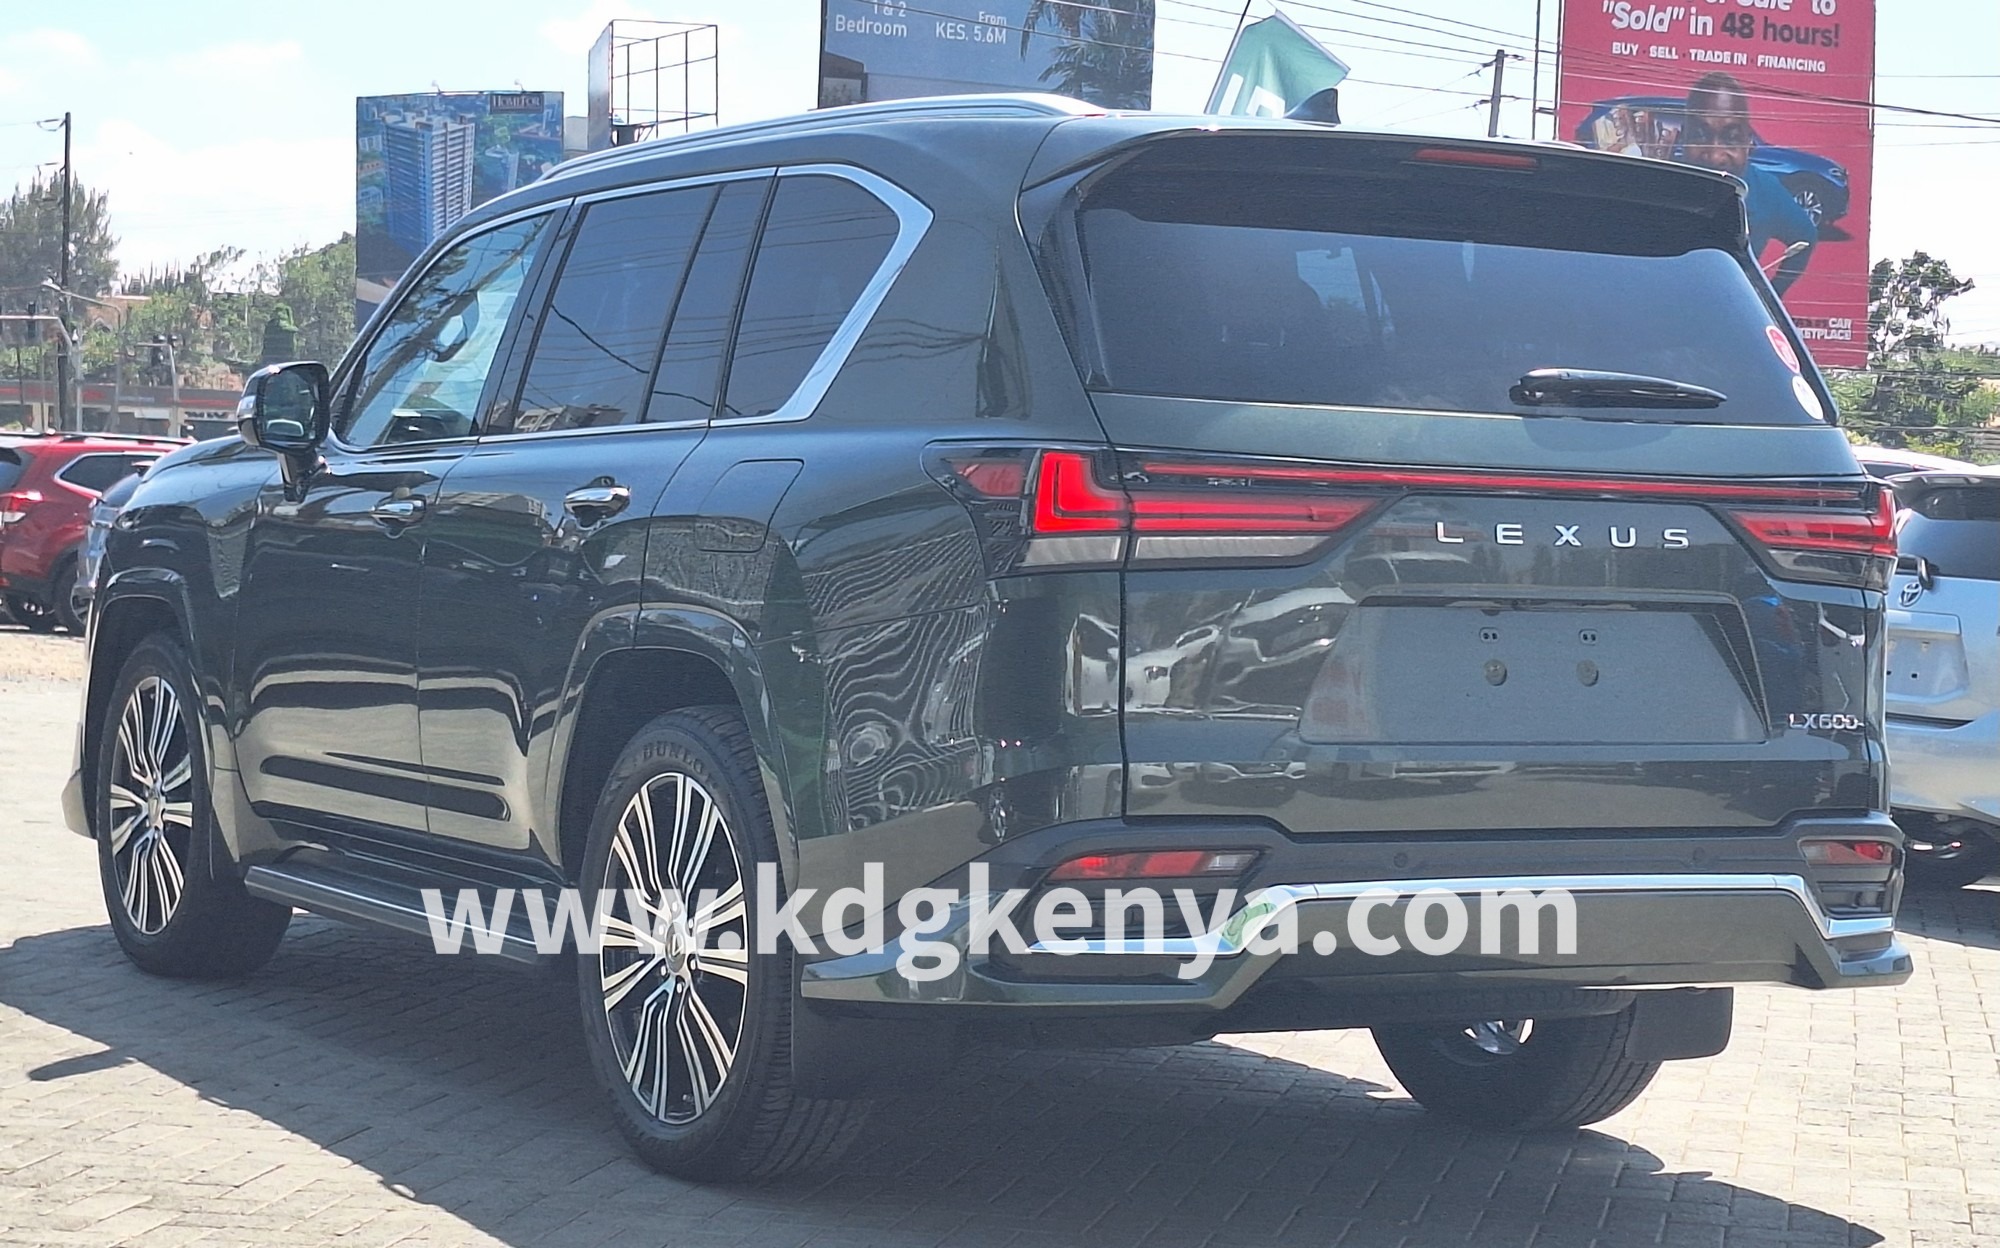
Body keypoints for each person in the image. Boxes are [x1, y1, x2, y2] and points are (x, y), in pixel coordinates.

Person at [1679, 72, 1817, 295]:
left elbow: (1806, 237)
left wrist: (1771, 294)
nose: (1715, 157)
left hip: (1731, 309)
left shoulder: (1766, 190)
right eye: (1700, 136)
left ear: (1748, 144)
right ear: (1682, 138)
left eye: (1731, 139)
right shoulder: (1662, 183)